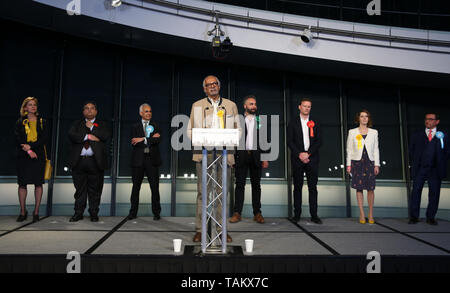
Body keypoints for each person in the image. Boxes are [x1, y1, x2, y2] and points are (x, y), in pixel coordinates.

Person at [187, 75, 241, 243]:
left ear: (219, 86)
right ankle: (200, 230)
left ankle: (220, 229)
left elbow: (238, 130)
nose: (212, 86)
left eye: (214, 83)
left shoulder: (230, 105)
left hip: (224, 154)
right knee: (203, 193)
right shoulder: (197, 105)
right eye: (208, 85)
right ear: (204, 89)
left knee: (221, 194)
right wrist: (201, 139)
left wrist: (230, 140)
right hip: (204, 153)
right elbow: (190, 130)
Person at [68, 101, 110, 222]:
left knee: (95, 190)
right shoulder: (77, 123)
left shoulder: (102, 124)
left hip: (95, 161)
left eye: (92, 108)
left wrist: (92, 127)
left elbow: (105, 135)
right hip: (79, 161)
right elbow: (71, 135)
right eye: (87, 108)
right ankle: (78, 213)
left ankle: (93, 213)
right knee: (80, 190)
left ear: (96, 111)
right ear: (83, 111)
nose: (89, 110)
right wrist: (88, 136)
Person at [229, 95, 268, 224]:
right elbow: (232, 140)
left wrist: (265, 157)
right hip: (241, 156)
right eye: (251, 104)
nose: (254, 106)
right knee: (239, 186)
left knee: (256, 186)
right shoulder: (237, 120)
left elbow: (265, 139)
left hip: (256, 157)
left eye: (255, 104)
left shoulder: (260, 120)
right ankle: (237, 213)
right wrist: (232, 157)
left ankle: (257, 213)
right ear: (245, 106)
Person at [409, 112, 450, 225]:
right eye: (426, 119)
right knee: (416, 192)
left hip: (435, 169)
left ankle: (430, 217)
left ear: (437, 121)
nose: (428, 121)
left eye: (431, 119)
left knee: (434, 193)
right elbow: (411, 151)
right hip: (420, 168)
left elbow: (447, 152)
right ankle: (414, 217)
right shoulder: (417, 135)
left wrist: (440, 162)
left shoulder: (443, 135)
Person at [287, 98, 322, 224]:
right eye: (305, 106)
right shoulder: (293, 122)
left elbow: (319, 141)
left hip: (312, 158)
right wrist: (300, 154)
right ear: (299, 107)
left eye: (309, 106)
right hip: (297, 159)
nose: (307, 108)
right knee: (297, 187)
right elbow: (289, 141)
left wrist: (308, 153)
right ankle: (297, 215)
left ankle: (314, 215)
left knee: (313, 188)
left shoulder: (316, 122)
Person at [14, 97, 49, 222]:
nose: (33, 107)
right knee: (22, 184)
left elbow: (44, 138)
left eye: (34, 105)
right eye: (30, 105)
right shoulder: (20, 122)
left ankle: (36, 212)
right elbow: (17, 139)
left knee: (38, 183)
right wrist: (28, 150)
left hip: (38, 155)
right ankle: (23, 211)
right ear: (25, 108)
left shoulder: (42, 121)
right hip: (23, 156)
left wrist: (32, 147)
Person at [127, 103, 162, 220]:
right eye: (146, 111)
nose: (149, 113)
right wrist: (150, 139)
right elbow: (134, 142)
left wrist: (142, 139)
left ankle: (156, 213)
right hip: (138, 160)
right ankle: (133, 212)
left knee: (155, 188)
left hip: (152, 160)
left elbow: (158, 140)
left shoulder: (156, 125)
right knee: (136, 187)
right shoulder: (134, 126)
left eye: (150, 111)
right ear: (141, 113)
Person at [346, 110, 380, 224]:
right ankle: (362, 214)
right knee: (359, 187)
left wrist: (377, 164)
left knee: (371, 189)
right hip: (357, 162)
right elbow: (349, 149)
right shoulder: (352, 132)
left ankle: (370, 214)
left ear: (368, 119)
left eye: (366, 116)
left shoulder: (374, 132)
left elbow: (376, 149)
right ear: (358, 118)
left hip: (370, 162)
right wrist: (348, 164)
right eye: (362, 116)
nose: (364, 118)